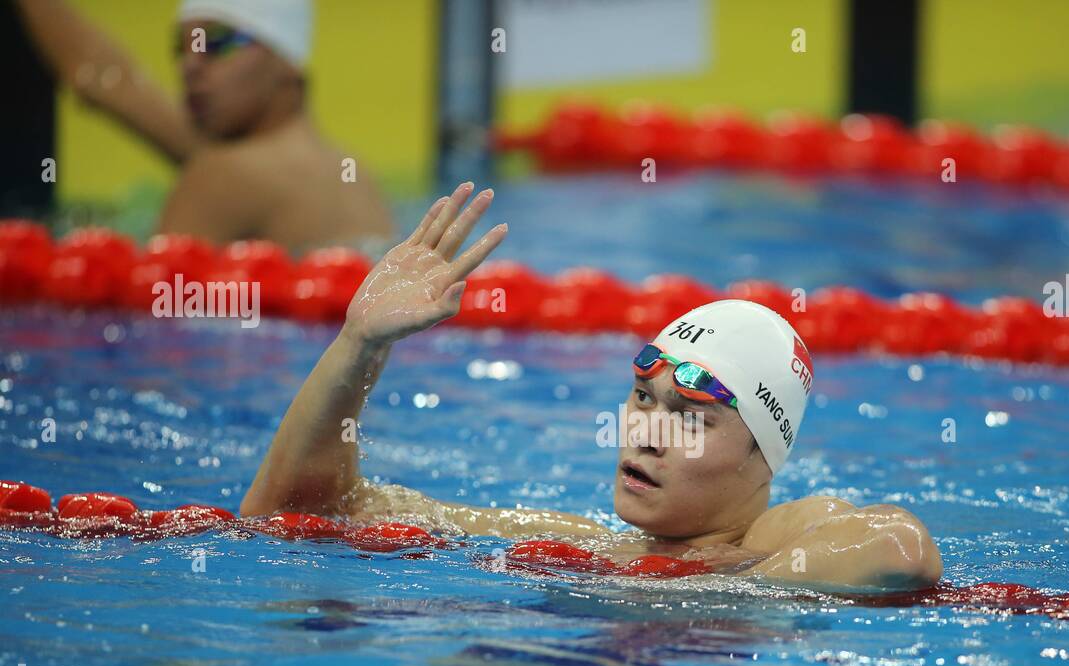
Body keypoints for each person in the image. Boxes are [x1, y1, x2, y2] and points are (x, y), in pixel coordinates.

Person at [241, 184, 943, 591]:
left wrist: (719, 586)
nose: (647, 431)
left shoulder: (769, 538)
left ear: (765, 457)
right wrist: (358, 345)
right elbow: (302, 512)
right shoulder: (587, 549)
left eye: (692, 417)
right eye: (643, 399)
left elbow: (901, 549)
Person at [14, 0, 393, 251]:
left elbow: (156, 337)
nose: (190, 66)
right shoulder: (355, 176)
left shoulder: (222, 175)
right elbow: (103, 77)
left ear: (287, 60)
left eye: (218, 42)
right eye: (181, 47)